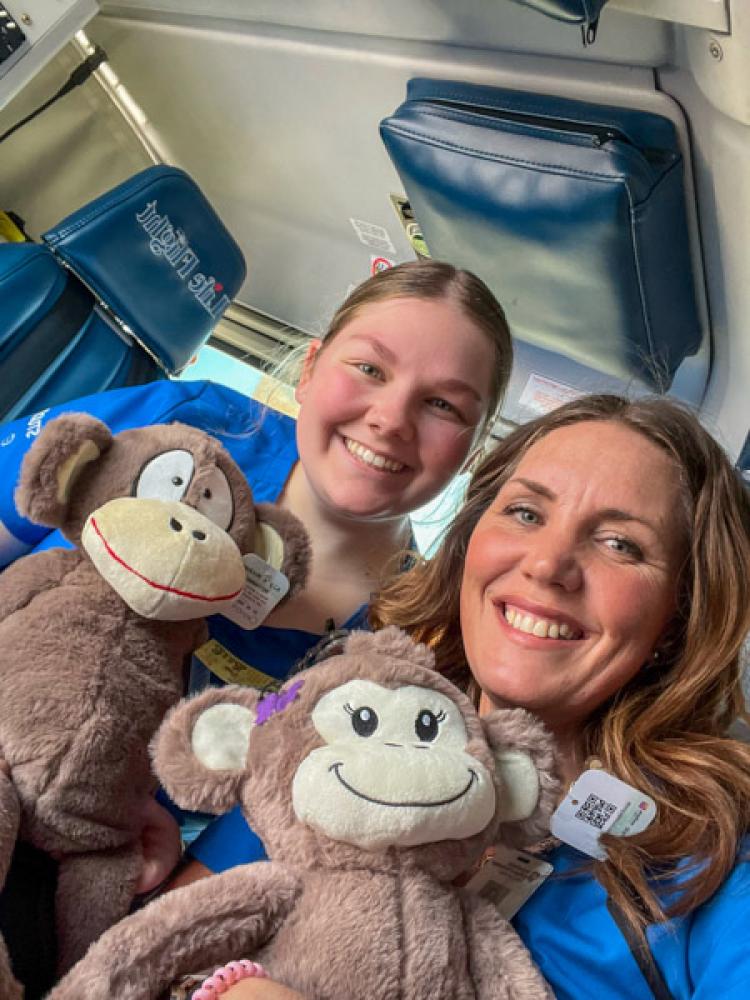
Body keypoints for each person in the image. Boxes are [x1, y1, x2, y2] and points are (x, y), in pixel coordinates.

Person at [0, 261, 512, 916]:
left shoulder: (416, 642)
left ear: (471, 450)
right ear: (310, 369)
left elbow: (258, 839)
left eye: (442, 404)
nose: (390, 418)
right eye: (370, 369)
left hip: (104, 869)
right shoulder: (181, 429)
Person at [369, 393, 750, 1000]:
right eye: (525, 513)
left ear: (678, 616)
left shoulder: (718, 866)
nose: (548, 564)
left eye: (620, 544)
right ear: (470, 539)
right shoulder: (347, 715)